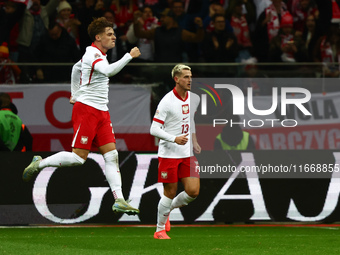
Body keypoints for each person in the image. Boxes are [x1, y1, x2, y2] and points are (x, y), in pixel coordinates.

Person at [22, 17, 141, 216]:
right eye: (109, 34)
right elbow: (109, 71)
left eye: (113, 34)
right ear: (98, 37)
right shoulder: (92, 52)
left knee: (112, 156)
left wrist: (74, 92)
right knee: (79, 159)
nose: (113, 37)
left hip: (102, 111)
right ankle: (39, 163)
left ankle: (119, 199)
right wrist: (129, 55)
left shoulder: (98, 54)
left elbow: (75, 69)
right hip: (87, 109)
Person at [150, 64, 201, 239]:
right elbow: (154, 129)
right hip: (169, 153)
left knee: (193, 191)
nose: (190, 80)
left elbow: (190, 120)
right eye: (186, 77)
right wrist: (174, 138)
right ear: (176, 79)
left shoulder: (194, 98)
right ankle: (159, 230)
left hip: (187, 153)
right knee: (170, 192)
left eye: (190, 76)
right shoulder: (167, 101)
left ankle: (168, 209)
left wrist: (194, 141)